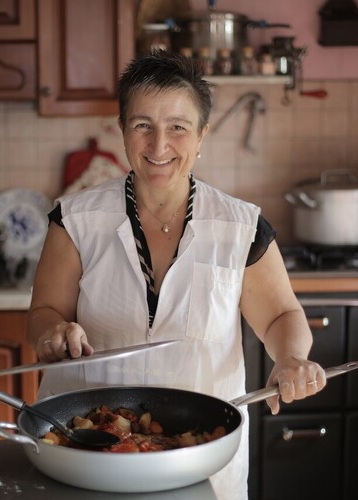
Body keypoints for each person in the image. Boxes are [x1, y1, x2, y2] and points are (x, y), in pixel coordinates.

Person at [27, 50, 325, 499]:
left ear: (202, 136)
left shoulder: (240, 228)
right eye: (143, 125)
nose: (159, 145)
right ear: (123, 129)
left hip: (201, 459)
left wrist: (290, 358)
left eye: (178, 128)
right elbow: (44, 312)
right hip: (84, 450)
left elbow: (282, 315)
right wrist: (52, 331)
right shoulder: (74, 219)